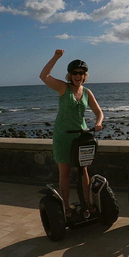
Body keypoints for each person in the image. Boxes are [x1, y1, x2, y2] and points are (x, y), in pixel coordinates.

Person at [39, 50, 104, 218]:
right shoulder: (63, 87)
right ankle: (66, 206)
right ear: (70, 74)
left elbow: (99, 112)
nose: (78, 75)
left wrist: (98, 123)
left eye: (81, 73)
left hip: (81, 135)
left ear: (85, 75)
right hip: (63, 135)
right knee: (65, 172)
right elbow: (43, 76)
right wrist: (56, 57)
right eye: (75, 73)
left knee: (84, 170)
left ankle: (87, 203)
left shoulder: (87, 92)